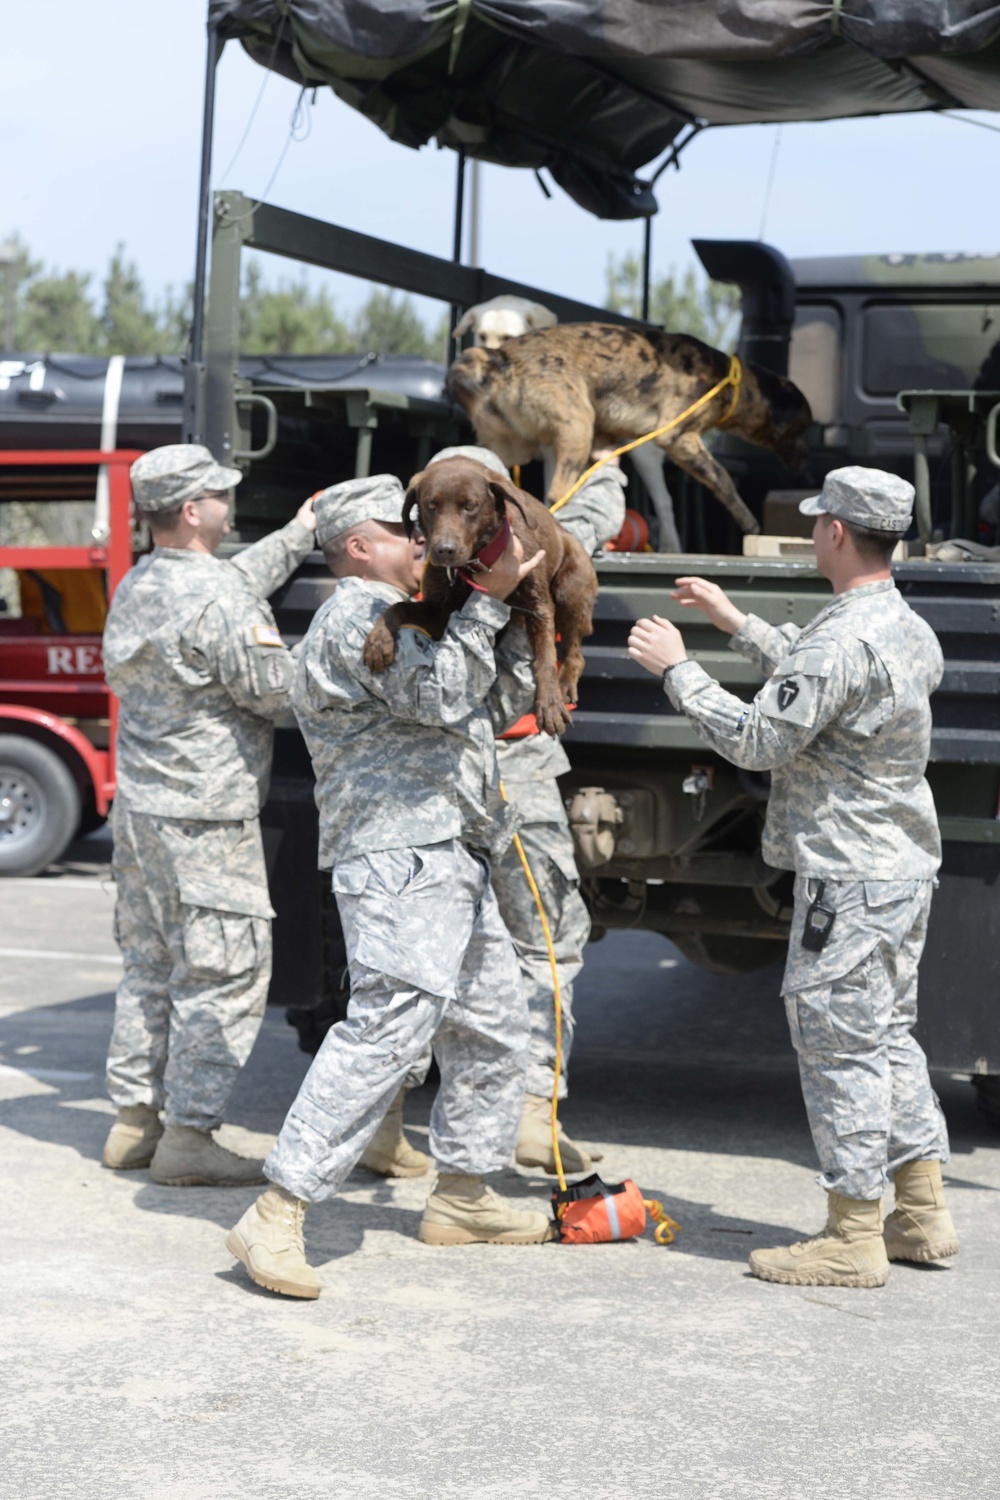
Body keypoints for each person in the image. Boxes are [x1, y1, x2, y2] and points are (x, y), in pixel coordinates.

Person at [627, 466, 958, 1289]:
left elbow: (761, 740)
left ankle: (852, 1235)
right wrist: (736, 622)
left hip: (848, 879)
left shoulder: (841, 638)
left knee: (840, 1047)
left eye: (818, 523)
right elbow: (825, 689)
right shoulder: (905, 627)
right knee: (884, 1036)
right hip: (901, 870)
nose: (814, 532)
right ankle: (920, 1212)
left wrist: (678, 669)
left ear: (836, 533)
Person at [225, 475, 552, 1299]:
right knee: (388, 1030)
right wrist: (486, 607)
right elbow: (439, 696)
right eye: (405, 531)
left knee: (493, 1026)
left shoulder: (428, 616)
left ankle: (466, 1193)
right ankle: (278, 1210)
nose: (425, 542)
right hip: (400, 857)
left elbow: (494, 697)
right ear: (358, 546)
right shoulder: (351, 617)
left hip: (451, 850)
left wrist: (517, 611)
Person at [101, 443, 317, 1186]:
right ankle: (189, 1137)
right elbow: (280, 692)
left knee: (150, 962)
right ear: (194, 511)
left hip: (141, 812)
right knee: (223, 974)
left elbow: (226, 587)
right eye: (221, 497)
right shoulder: (219, 598)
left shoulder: (140, 582)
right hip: (208, 819)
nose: (230, 506)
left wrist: (299, 531)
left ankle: (135, 1121)